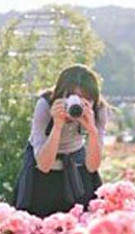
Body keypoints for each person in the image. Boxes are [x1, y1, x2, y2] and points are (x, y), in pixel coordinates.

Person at [14, 64, 107, 218]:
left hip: (76, 166)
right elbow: (43, 165)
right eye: (71, 97)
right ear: (60, 94)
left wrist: (91, 130)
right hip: (42, 171)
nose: (77, 106)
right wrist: (57, 126)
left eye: (85, 99)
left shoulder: (98, 109)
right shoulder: (46, 105)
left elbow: (92, 166)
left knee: (84, 220)